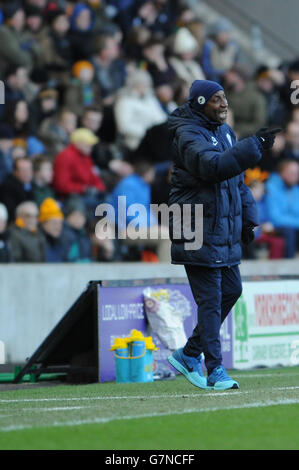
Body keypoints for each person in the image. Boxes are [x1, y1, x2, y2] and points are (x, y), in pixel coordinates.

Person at [167, 79, 281, 390]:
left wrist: (248, 220)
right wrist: (254, 146)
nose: (224, 104)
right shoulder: (187, 134)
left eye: (225, 98)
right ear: (201, 103)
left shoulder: (225, 132)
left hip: (222, 229)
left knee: (231, 291)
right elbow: (214, 167)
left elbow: (237, 183)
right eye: (217, 99)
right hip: (196, 228)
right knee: (211, 302)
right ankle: (214, 369)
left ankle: (190, 354)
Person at [265, 159, 299, 258]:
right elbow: (275, 218)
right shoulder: (271, 188)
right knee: (289, 232)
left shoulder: (296, 189)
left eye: (297, 173)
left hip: (292, 225)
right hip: (273, 226)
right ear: (281, 173)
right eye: (292, 173)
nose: (295, 177)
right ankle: (289, 270)